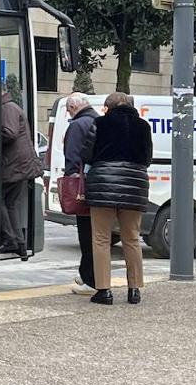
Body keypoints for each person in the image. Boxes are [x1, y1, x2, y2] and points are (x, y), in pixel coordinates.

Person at [85, 92, 151, 306]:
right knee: (131, 238)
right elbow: (147, 158)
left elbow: (87, 154)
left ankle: (104, 290)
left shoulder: (99, 123)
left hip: (103, 184)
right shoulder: (143, 126)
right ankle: (134, 290)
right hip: (134, 185)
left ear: (108, 107)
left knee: (101, 239)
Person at [62, 92, 100, 295]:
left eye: (69, 110)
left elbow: (73, 157)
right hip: (100, 185)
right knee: (97, 234)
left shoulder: (77, 125)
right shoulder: (98, 120)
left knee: (86, 235)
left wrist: (71, 181)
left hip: (84, 186)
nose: (69, 114)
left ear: (74, 107)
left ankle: (89, 278)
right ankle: (89, 274)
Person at [0, 77, 37, 261]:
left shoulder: (7, 108)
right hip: (20, 165)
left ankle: (11, 239)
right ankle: (20, 244)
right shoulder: (11, 106)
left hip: (14, 165)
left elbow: (9, 133)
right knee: (10, 203)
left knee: (0, 200)